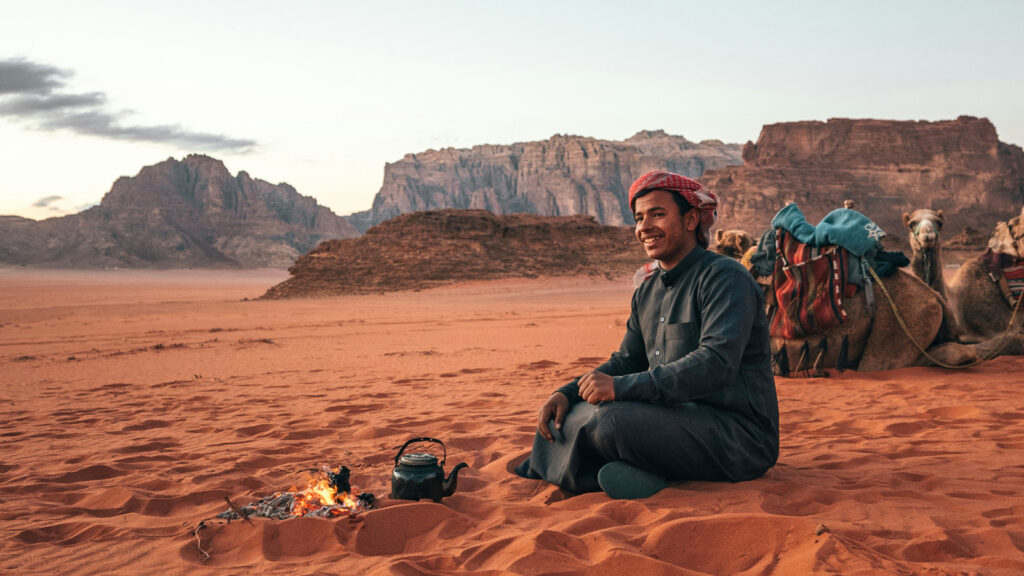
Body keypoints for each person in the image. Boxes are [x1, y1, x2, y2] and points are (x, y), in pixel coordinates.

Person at [514, 170, 779, 499]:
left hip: (738, 436)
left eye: (657, 214)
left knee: (610, 422)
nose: (645, 227)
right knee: (570, 414)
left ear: (691, 219)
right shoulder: (647, 292)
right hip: (673, 418)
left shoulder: (725, 278)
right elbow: (627, 361)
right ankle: (632, 470)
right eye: (639, 218)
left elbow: (716, 363)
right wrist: (567, 393)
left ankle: (601, 471)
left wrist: (620, 388)